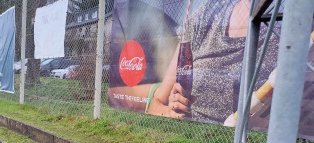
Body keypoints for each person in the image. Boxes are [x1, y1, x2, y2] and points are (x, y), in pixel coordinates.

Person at [108, 0, 277, 124]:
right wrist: (171, 108)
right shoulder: (210, 11)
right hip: (189, 132)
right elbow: (159, 99)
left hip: (242, 139)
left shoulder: (287, 17)